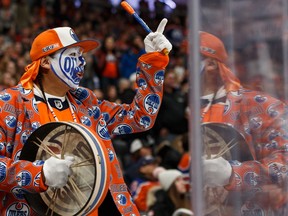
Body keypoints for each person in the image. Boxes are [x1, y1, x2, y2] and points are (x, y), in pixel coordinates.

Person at [0, 19, 172, 216]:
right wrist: (40, 174)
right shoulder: (10, 103)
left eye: (81, 56)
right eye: (73, 55)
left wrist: (153, 61)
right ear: (46, 62)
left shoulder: (86, 102)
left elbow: (140, 117)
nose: (81, 62)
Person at [196, 31, 288, 215]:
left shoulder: (259, 104)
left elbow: (284, 160)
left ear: (211, 64)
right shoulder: (187, 110)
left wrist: (233, 173)